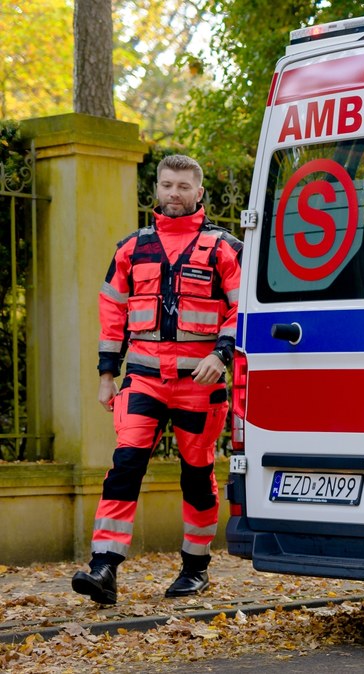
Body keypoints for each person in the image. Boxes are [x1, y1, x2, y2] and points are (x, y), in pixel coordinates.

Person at [71, 155, 243, 605]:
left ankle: (195, 567)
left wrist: (221, 355)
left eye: (183, 186)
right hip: (143, 377)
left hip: (200, 381)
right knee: (125, 467)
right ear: (156, 190)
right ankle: (104, 565)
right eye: (167, 185)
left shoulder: (224, 248)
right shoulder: (131, 248)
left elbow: (243, 309)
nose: (174, 193)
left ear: (199, 193)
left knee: (197, 473)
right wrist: (107, 375)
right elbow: (112, 312)